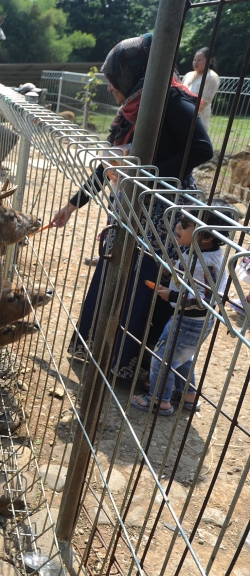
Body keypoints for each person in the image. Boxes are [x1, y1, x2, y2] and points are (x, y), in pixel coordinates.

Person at [49, 33, 214, 379]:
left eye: (113, 80)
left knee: (144, 280)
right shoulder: (133, 110)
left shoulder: (172, 101)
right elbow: (111, 162)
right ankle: (100, 348)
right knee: (116, 267)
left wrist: (144, 173)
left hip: (162, 214)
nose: (110, 88)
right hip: (130, 209)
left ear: (132, 74)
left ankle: (131, 366)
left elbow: (202, 150)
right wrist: (73, 204)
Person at [131, 212, 229, 415]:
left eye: (185, 224)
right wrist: (174, 270)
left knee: (162, 359)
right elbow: (191, 275)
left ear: (206, 236)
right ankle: (188, 396)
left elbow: (206, 299)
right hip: (192, 320)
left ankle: (159, 401)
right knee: (182, 358)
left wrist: (173, 297)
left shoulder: (207, 262)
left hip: (190, 321)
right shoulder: (199, 251)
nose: (177, 226)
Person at [0, 82, 42, 174]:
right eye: (30, 97)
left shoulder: (19, 102)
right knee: (8, 137)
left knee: (14, 137)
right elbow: (20, 122)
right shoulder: (15, 102)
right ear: (23, 94)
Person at [182, 47, 220, 132]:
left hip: (197, 118)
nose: (196, 62)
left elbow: (205, 101)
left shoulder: (212, 77)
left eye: (199, 60)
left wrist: (188, 115)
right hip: (182, 115)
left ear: (209, 60)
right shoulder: (188, 75)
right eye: (194, 60)